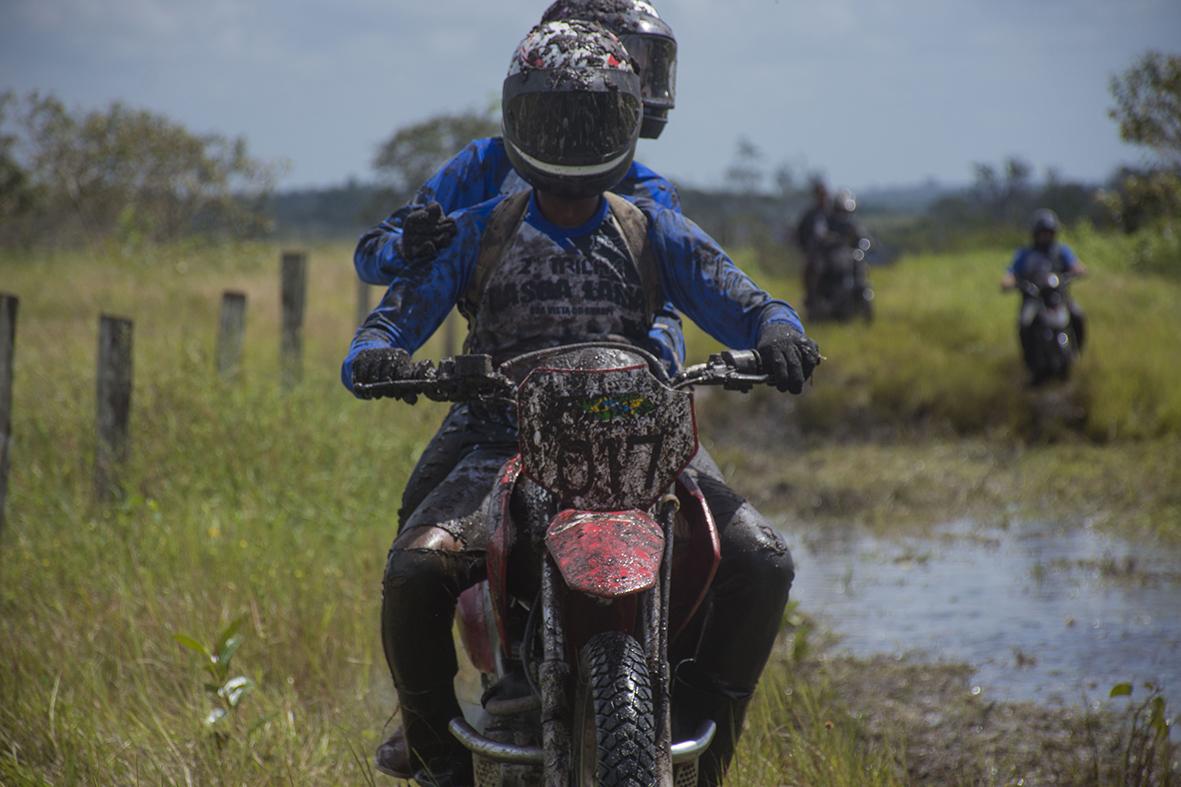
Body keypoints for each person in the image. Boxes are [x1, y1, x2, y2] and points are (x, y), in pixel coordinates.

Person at [346, 21, 820, 786]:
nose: (569, 140)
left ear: (626, 120)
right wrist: (379, 360)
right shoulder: (476, 228)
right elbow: (387, 321)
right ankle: (438, 761)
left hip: (643, 435)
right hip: (500, 439)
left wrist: (779, 332)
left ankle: (707, 757)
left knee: (761, 560)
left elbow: (746, 299)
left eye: (588, 120)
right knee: (412, 570)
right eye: (552, 120)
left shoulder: (652, 225)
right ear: (517, 120)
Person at [1000, 209, 1087, 374]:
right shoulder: (1025, 254)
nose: (1045, 237)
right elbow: (1010, 273)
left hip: (1059, 297)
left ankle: (1077, 351)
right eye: (1042, 233)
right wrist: (1009, 282)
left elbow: (1076, 265)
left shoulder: (1062, 251)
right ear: (1035, 234)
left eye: (1048, 233)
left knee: (1078, 314)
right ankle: (1029, 361)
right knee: (1024, 324)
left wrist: (1078, 271)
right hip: (1034, 299)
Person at [795, 178, 829, 311]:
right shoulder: (810, 215)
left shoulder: (833, 213)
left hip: (834, 253)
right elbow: (800, 233)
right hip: (818, 253)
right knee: (813, 270)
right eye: (820, 195)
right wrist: (806, 249)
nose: (823, 198)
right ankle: (812, 299)